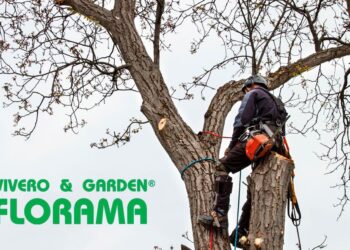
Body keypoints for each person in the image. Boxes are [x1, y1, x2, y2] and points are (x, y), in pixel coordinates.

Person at [198, 75, 288, 247]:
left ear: (250, 86)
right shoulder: (277, 102)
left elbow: (241, 120)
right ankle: (241, 232)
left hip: (259, 140)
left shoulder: (253, 93)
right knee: (255, 188)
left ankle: (220, 214)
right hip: (275, 144)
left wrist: (232, 146)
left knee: (222, 167)